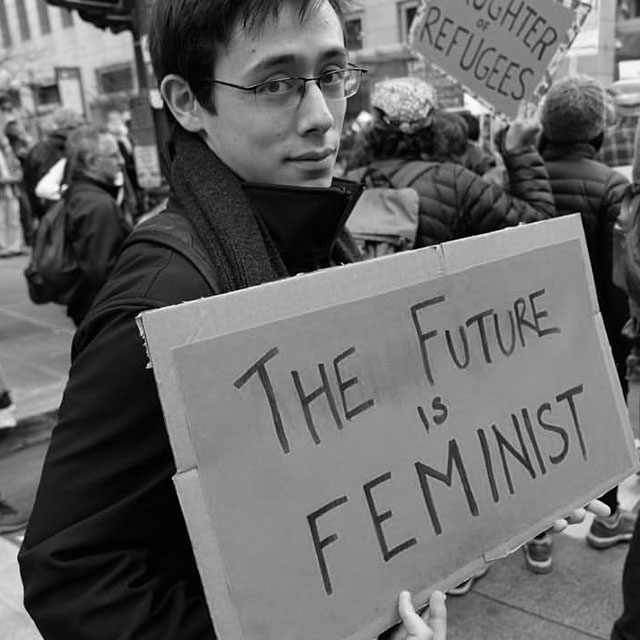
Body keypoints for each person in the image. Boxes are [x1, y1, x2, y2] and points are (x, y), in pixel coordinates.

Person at [521, 74, 635, 576]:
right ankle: (605, 516)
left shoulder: (520, 176)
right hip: (592, 334)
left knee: (532, 427)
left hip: (526, 334)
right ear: (598, 130)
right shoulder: (612, 185)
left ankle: (538, 535)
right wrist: (618, 342)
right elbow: (617, 278)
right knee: (597, 428)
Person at [346, 76, 555, 250]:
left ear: (374, 127)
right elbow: (540, 229)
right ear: (433, 124)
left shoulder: (347, 184)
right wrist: (519, 149)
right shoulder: (454, 182)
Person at [60, 124, 132, 326]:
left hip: (92, 308)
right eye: (114, 155)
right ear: (92, 162)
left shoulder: (81, 193)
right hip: (103, 313)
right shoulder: (98, 205)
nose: (121, 161)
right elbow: (105, 273)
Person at [23, 107, 83, 221]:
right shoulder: (82, 147)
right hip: (77, 209)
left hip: (50, 214)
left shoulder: (38, 150)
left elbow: (30, 187)